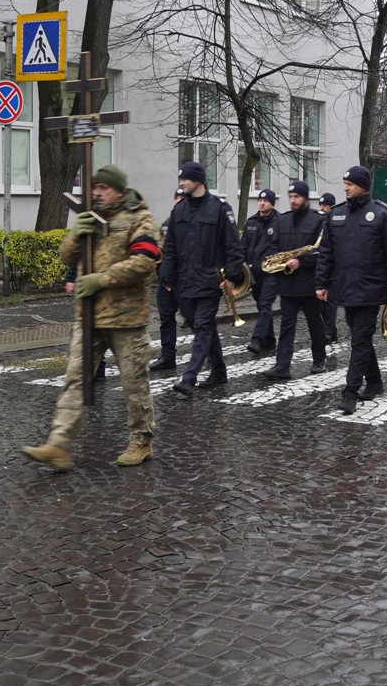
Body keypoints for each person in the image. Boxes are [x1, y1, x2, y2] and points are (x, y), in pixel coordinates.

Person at [23, 166, 162, 469]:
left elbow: (145, 260)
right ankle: (59, 445)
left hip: (126, 319)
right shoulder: (90, 216)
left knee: (134, 383)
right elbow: (66, 257)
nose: (96, 192)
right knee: (74, 379)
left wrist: (102, 279)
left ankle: (141, 441)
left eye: (102, 188)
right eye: (94, 187)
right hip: (88, 316)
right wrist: (75, 236)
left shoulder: (141, 219)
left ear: (119, 190)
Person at [315, 165, 387, 414]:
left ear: (363, 186)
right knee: (359, 338)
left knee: (360, 340)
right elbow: (326, 253)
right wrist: (321, 283)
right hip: (344, 288)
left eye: (350, 184)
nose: (345, 188)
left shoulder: (382, 214)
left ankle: (350, 391)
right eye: (344, 183)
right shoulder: (336, 215)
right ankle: (374, 382)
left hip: (370, 289)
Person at [159, 161, 244, 397]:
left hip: (210, 280)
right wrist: (166, 276)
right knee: (202, 328)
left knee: (204, 326)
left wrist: (232, 277)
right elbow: (172, 247)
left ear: (198, 180)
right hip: (185, 281)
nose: (181, 183)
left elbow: (232, 246)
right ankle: (219, 370)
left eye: (185, 179)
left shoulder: (219, 209)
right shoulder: (180, 210)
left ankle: (189, 378)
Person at [263, 180, 328, 380]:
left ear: (305, 198)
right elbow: (274, 247)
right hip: (287, 283)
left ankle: (319, 359)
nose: (293, 200)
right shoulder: (283, 220)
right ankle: (282, 365)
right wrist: (279, 263)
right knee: (286, 325)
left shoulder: (317, 220)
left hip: (308, 283)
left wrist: (301, 261)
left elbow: (322, 251)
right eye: (291, 197)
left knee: (314, 323)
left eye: (297, 197)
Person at [150, 189, 195, 371]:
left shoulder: (194, 225)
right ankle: (168, 356)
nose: (178, 201)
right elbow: (160, 253)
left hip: (185, 281)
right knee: (166, 319)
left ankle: (209, 351)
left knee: (194, 320)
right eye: (176, 198)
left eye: (182, 199)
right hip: (166, 281)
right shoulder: (168, 224)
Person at [241, 188, 280, 355]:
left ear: (272, 203)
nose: (262, 203)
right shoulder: (251, 222)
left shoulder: (280, 222)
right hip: (254, 272)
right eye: (260, 200)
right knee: (261, 305)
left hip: (271, 273)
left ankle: (257, 339)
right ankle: (270, 341)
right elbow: (243, 247)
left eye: (265, 200)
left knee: (265, 304)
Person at [317, 192, 340, 343]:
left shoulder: (334, 221)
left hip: (334, 267)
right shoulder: (320, 220)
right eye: (321, 205)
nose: (322, 208)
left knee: (330, 302)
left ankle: (330, 332)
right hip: (322, 263)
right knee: (321, 302)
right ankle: (328, 330)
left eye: (325, 206)